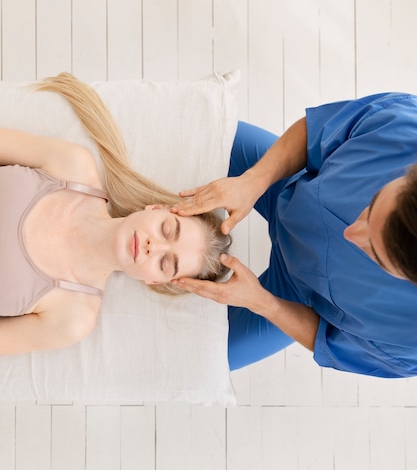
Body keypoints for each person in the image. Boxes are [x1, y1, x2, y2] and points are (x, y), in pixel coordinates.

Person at [172, 92, 417, 379]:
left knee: (189, 364)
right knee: (190, 124)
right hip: (283, 185)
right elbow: (316, 131)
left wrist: (262, 303)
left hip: (294, 295)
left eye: (373, 253)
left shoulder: (409, 342)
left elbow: (328, 340)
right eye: (371, 204)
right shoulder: (403, 127)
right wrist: (252, 182)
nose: (350, 232)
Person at [0, 73, 231, 355]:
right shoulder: (73, 167)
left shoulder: (73, 317)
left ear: (155, 280)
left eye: (165, 263)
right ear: (156, 209)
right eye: (167, 230)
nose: (153, 246)